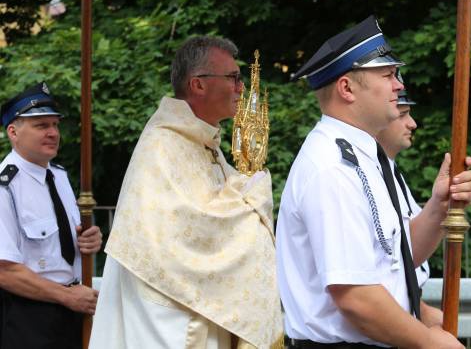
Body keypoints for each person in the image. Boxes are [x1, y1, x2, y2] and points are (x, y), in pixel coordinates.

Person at [276, 16, 471, 349]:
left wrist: (439, 207)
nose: (399, 85)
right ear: (347, 88)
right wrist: (428, 343)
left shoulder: (364, 156)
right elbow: (357, 296)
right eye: (387, 75)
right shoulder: (332, 168)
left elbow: (397, 256)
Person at [90, 37, 283, 349]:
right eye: (233, 78)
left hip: (201, 303)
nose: (240, 88)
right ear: (198, 85)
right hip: (169, 312)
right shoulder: (161, 145)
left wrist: (245, 194)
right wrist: (253, 196)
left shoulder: (204, 142)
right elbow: (188, 234)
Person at [0, 82, 102, 349]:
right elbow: (5, 271)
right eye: (41, 125)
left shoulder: (58, 176)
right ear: (13, 132)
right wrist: (67, 297)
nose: (53, 133)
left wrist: (89, 240)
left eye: (55, 125)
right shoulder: (5, 188)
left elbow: (65, 244)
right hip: (29, 319)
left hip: (72, 310)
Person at [376, 84, 443, 325]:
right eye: (402, 114)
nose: (412, 123)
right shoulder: (362, 177)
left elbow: (407, 252)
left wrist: (420, 310)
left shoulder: (392, 173)